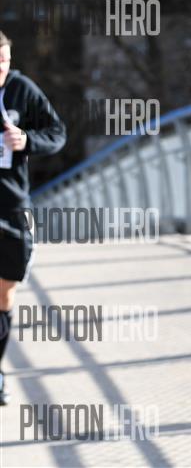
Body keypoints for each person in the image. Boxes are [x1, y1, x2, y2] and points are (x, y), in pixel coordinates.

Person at [0, 30, 67, 406]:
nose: (1, 68)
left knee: (4, 292)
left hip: (11, 204)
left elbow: (57, 133)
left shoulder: (21, 90)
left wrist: (27, 140)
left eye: (4, 61)